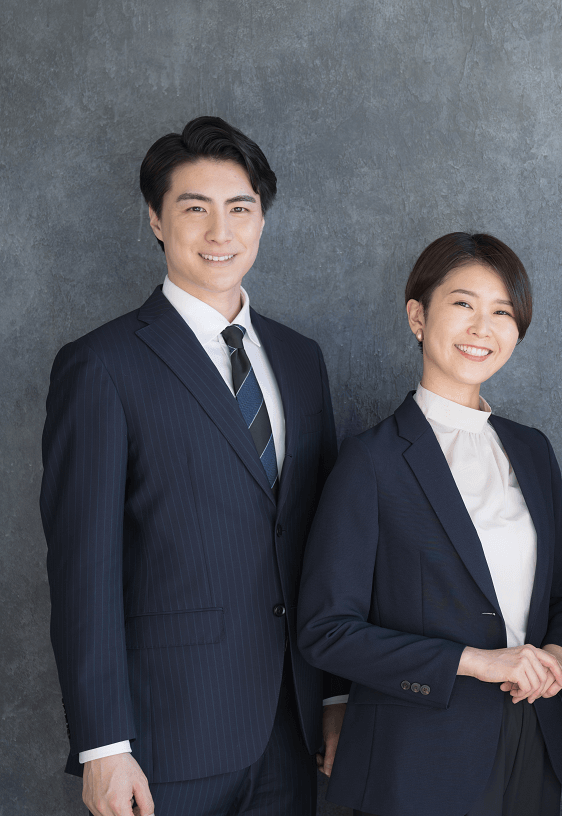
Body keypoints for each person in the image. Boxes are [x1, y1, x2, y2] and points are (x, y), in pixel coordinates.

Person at [41, 116, 348, 816]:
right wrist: (103, 748)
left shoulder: (301, 361)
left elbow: (324, 546)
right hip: (162, 739)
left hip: (291, 728)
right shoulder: (101, 367)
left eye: (240, 208)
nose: (221, 231)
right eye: (194, 208)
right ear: (155, 220)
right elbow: (82, 571)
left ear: (262, 220)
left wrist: (333, 694)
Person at [297, 232, 562, 816]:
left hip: (531, 746)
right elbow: (327, 629)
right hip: (416, 763)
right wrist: (477, 662)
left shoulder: (532, 450)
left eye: (502, 312)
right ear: (417, 315)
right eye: (463, 304)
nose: (483, 327)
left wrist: (559, 656)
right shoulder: (371, 460)